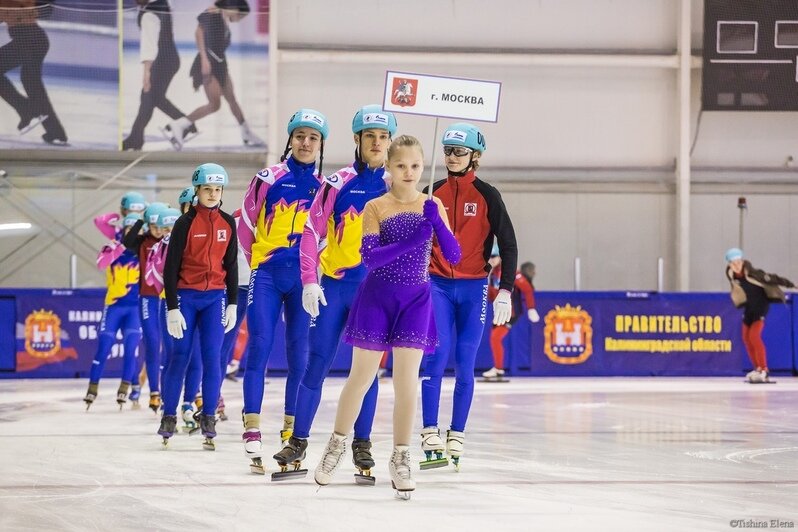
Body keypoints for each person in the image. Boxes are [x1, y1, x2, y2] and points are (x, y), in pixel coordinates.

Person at [312, 135, 460, 498]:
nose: (408, 172)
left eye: (414, 166)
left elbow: (454, 255)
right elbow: (371, 258)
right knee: (361, 377)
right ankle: (336, 446)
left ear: (422, 167)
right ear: (389, 170)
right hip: (377, 297)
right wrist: (415, 238)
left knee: (407, 381)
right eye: (400, 166)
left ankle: (401, 456)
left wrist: (436, 225)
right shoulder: (376, 206)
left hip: (416, 300)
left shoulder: (433, 204)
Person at [272, 104, 396, 481]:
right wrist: (310, 279)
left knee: (367, 372)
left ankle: (362, 442)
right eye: (369, 136)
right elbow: (310, 231)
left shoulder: (397, 185)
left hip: (373, 292)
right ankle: (298, 440)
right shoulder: (337, 182)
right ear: (357, 140)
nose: (377, 143)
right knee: (317, 364)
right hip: (336, 288)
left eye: (383, 137)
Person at [420, 122, 518, 470]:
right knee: (437, 353)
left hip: (474, 287)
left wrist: (505, 289)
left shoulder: (489, 195)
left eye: (458, 151)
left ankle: (456, 432)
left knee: (465, 360)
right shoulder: (431, 192)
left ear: (474, 156)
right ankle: (429, 430)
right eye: (447, 150)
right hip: (438, 285)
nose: (451, 156)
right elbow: (416, 240)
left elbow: (508, 243)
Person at [236, 108, 327, 474]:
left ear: (321, 144)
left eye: (313, 138)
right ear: (290, 139)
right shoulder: (267, 178)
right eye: (300, 135)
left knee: (299, 354)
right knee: (259, 343)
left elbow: (328, 233)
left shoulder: (326, 186)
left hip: (304, 279)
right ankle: (252, 425)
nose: (305, 143)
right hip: (269, 274)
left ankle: (291, 431)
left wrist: (312, 273)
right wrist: (258, 261)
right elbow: (245, 224)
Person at [158, 163, 238, 449]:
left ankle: (208, 416)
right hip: (186, 296)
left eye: (217, 190)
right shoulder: (184, 223)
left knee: (212, 358)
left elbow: (230, 265)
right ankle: (169, 415)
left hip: (214, 297)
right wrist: (171, 307)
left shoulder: (228, 223)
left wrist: (232, 303)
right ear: (197, 191)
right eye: (207, 189)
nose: (213, 194)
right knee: (179, 356)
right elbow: (170, 268)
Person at [161, 0, 263, 150]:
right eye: (240, 14)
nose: (240, 18)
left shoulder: (223, 18)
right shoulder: (212, 13)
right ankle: (179, 125)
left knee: (232, 99)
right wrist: (204, 59)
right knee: (214, 104)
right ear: (233, 8)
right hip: (208, 61)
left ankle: (246, 132)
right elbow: (199, 32)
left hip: (221, 63)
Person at [83, 213, 145, 410]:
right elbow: (101, 263)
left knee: (130, 349)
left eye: (138, 230)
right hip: (114, 306)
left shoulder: (144, 250)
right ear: (123, 230)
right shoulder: (112, 246)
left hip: (134, 307)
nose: (134, 233)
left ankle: (126, 387)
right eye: (129, 229)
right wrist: (119, 245)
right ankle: (92, 387)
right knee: (104, 347)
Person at [123, 0, 192, 151]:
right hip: (171, 58)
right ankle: (184, 123)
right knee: (154, 97)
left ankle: (136, 138)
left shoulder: (149, 15)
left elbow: (149, 45)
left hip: (162, 60)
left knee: (148, 97)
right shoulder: (164, 3)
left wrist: (146, 72)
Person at [122, 201, 170, 411]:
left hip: (169, 298)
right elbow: (127, 241)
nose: (158, 231)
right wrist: (143, 216)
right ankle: (154, 391)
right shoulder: (142, 242)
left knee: (169, 347)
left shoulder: (172, 241)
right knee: (152, 344)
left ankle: (170, 390)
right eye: (153, 226)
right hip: (148, 298)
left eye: (161, 226)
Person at [0, 0, 67, 145]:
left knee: (31, 82)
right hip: (34, 39)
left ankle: (25, 108)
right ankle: (55, 131)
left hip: (30, 39)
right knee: (31, 82)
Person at [725, 248, 794, 383]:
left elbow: (774, 278)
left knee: (754, 336)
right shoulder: (731, 275)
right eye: (734, 263)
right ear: (729, 265)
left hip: (761, 306)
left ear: (743, 261)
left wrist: (792, 285)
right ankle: (757, 368)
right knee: (746, 338)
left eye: (739, 262)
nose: (737, 266)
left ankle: (764, 370)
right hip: (749, 308)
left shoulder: (754, 274)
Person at [483, 256, 538, 381]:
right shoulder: (493, 274)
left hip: (510, 313)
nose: (491, 259)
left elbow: (527, 288)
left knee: (495, 337)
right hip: (499, 312)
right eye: (489, 256)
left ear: (500, 257)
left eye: (494, 256)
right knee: (494, 339)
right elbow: (492, 294)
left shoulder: (510, 270)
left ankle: (498, 369)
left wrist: (531, 308)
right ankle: (498, 369)